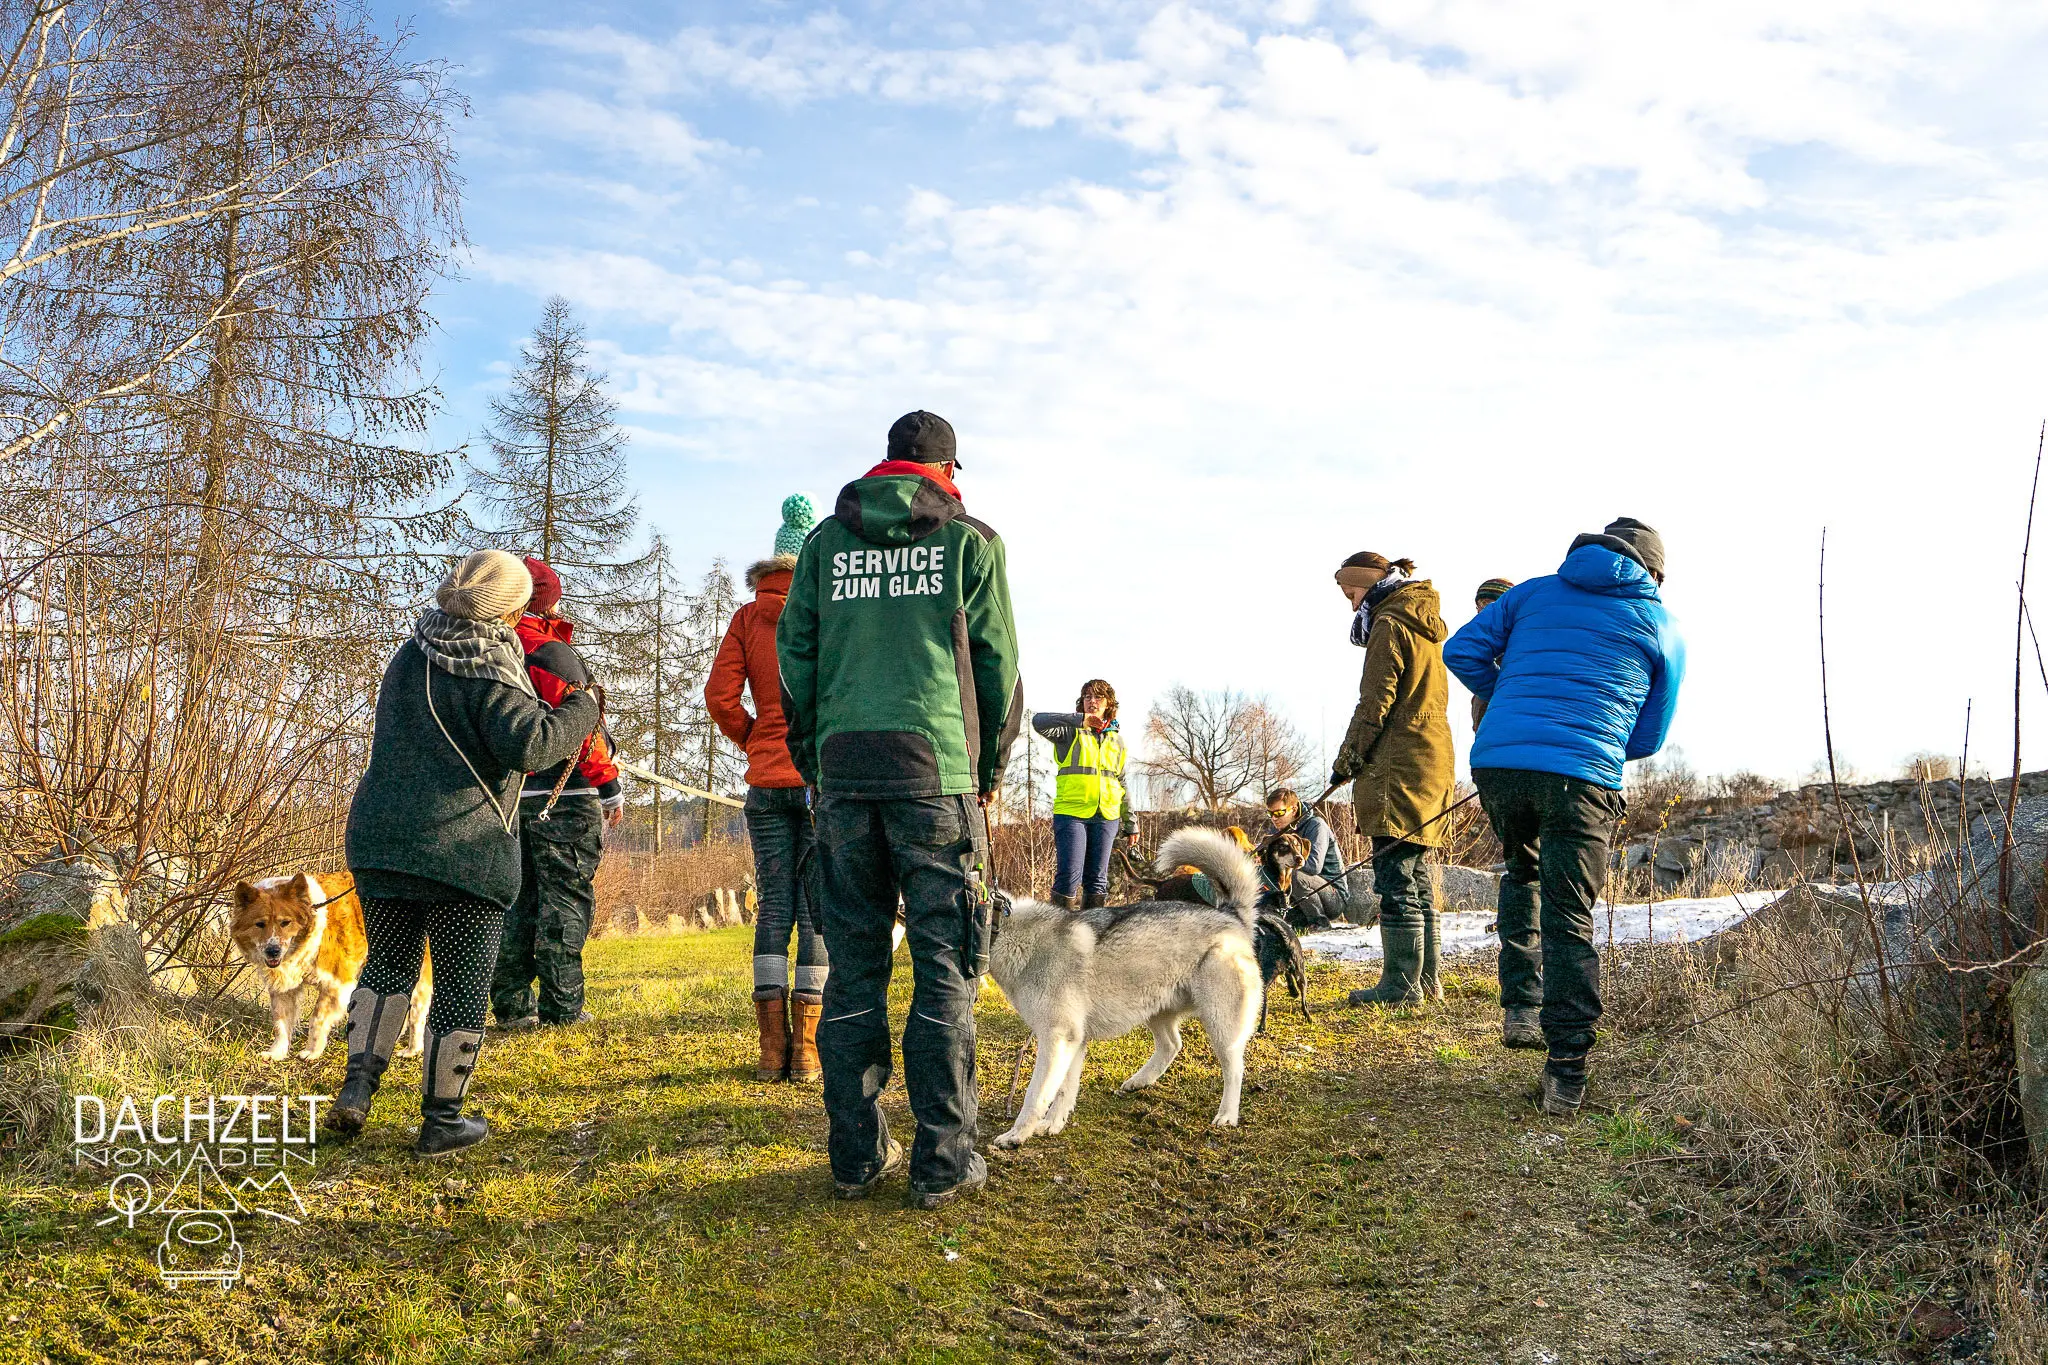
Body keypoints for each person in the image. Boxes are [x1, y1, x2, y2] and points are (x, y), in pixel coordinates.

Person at [777, 410, 1023, 1210]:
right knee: (945, 967)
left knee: (853, 966)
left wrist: (816, 762)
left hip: (844, 778)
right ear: (947, 473)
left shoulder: (821, 545)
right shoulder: (970, 541)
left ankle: (854, 1155)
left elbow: (795, 659)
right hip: (937, 777)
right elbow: (1000, 669)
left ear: (884, 465)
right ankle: (943, 1160)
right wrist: (985, 771)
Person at [336, 549, 600, 1155]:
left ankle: (357, 1087)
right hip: (462, 849)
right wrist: (580, 704)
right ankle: (443, 1119)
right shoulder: (486, 661)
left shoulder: (411, 653)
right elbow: (530, 746)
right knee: (460, 984)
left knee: (388, 965)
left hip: (380, 838)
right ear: (509, 606)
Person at [1443, 517, 1684, 1117]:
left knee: (1521, 874)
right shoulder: (1662, 625)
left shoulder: (1532, 591)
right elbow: (1649, 736)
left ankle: (1520, 1006)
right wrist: (1588, 738)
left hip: (1500, 764)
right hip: (1581, 775)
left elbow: (1461, 649)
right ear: (1655, 572)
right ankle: (1566, 1071)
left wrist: (1510, 700)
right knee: (1569, 913)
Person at [707, 495, 830, 1084]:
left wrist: (756, 740)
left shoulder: (746, 618)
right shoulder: (826, 609)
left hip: (764, 783)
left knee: (773, 906)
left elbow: (720, 698)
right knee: (814, 912)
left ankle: (770, 1052)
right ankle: (806, 1052)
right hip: (815, 782)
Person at [488, 556, 622, 1032]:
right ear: (548, 600)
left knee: (514, 901)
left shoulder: (488, 653)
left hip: (505, 802)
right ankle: (563, 1009)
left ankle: (510, 1005)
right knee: (565, 898)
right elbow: (579, 727)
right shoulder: (549, 652)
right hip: (564, 800)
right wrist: (607, 785)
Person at [1329, 552, 1457, 1008]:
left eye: (1352, 593)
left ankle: (1401, 986)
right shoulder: (1423, 622)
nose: (1350, 605)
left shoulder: (1389, 623)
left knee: (1395, 876)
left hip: (1398, 763)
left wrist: (1347, 760)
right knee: (1417, 873)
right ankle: (1427, 982)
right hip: (1432, 757)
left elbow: (1375, 703)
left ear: (1369, 584)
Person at [1033, 680, 1129, 909]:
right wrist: (1080, 720)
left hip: (1106, 815)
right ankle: (1056, 936)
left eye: (1098, 698)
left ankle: (1092, 938)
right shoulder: (1069, 732)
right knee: (1069, 876)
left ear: (1109, 704)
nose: (1092, 701)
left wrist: (1131, 821)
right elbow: (1039, 721)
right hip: (1072, 814)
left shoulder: (1117, 740)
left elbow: (1121, 781)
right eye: (1087, 697)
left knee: (1098, 880)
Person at [1263, 788, 1348, 927]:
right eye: (1270, 814)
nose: (1274, 818)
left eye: (1279, 813)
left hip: (1332, 896)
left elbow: (1314, 866)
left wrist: (1286, 862)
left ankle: (1320, 923)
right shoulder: (1277, 830)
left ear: (1294, 809)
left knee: (1295, 874)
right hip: (1300, 898)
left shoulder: (1316, 825)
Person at [1469, 579, 1515, 729]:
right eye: (1479, 606)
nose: (1481, 613)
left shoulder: (1517, 655)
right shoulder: (1486, 656)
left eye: (1488, 605)